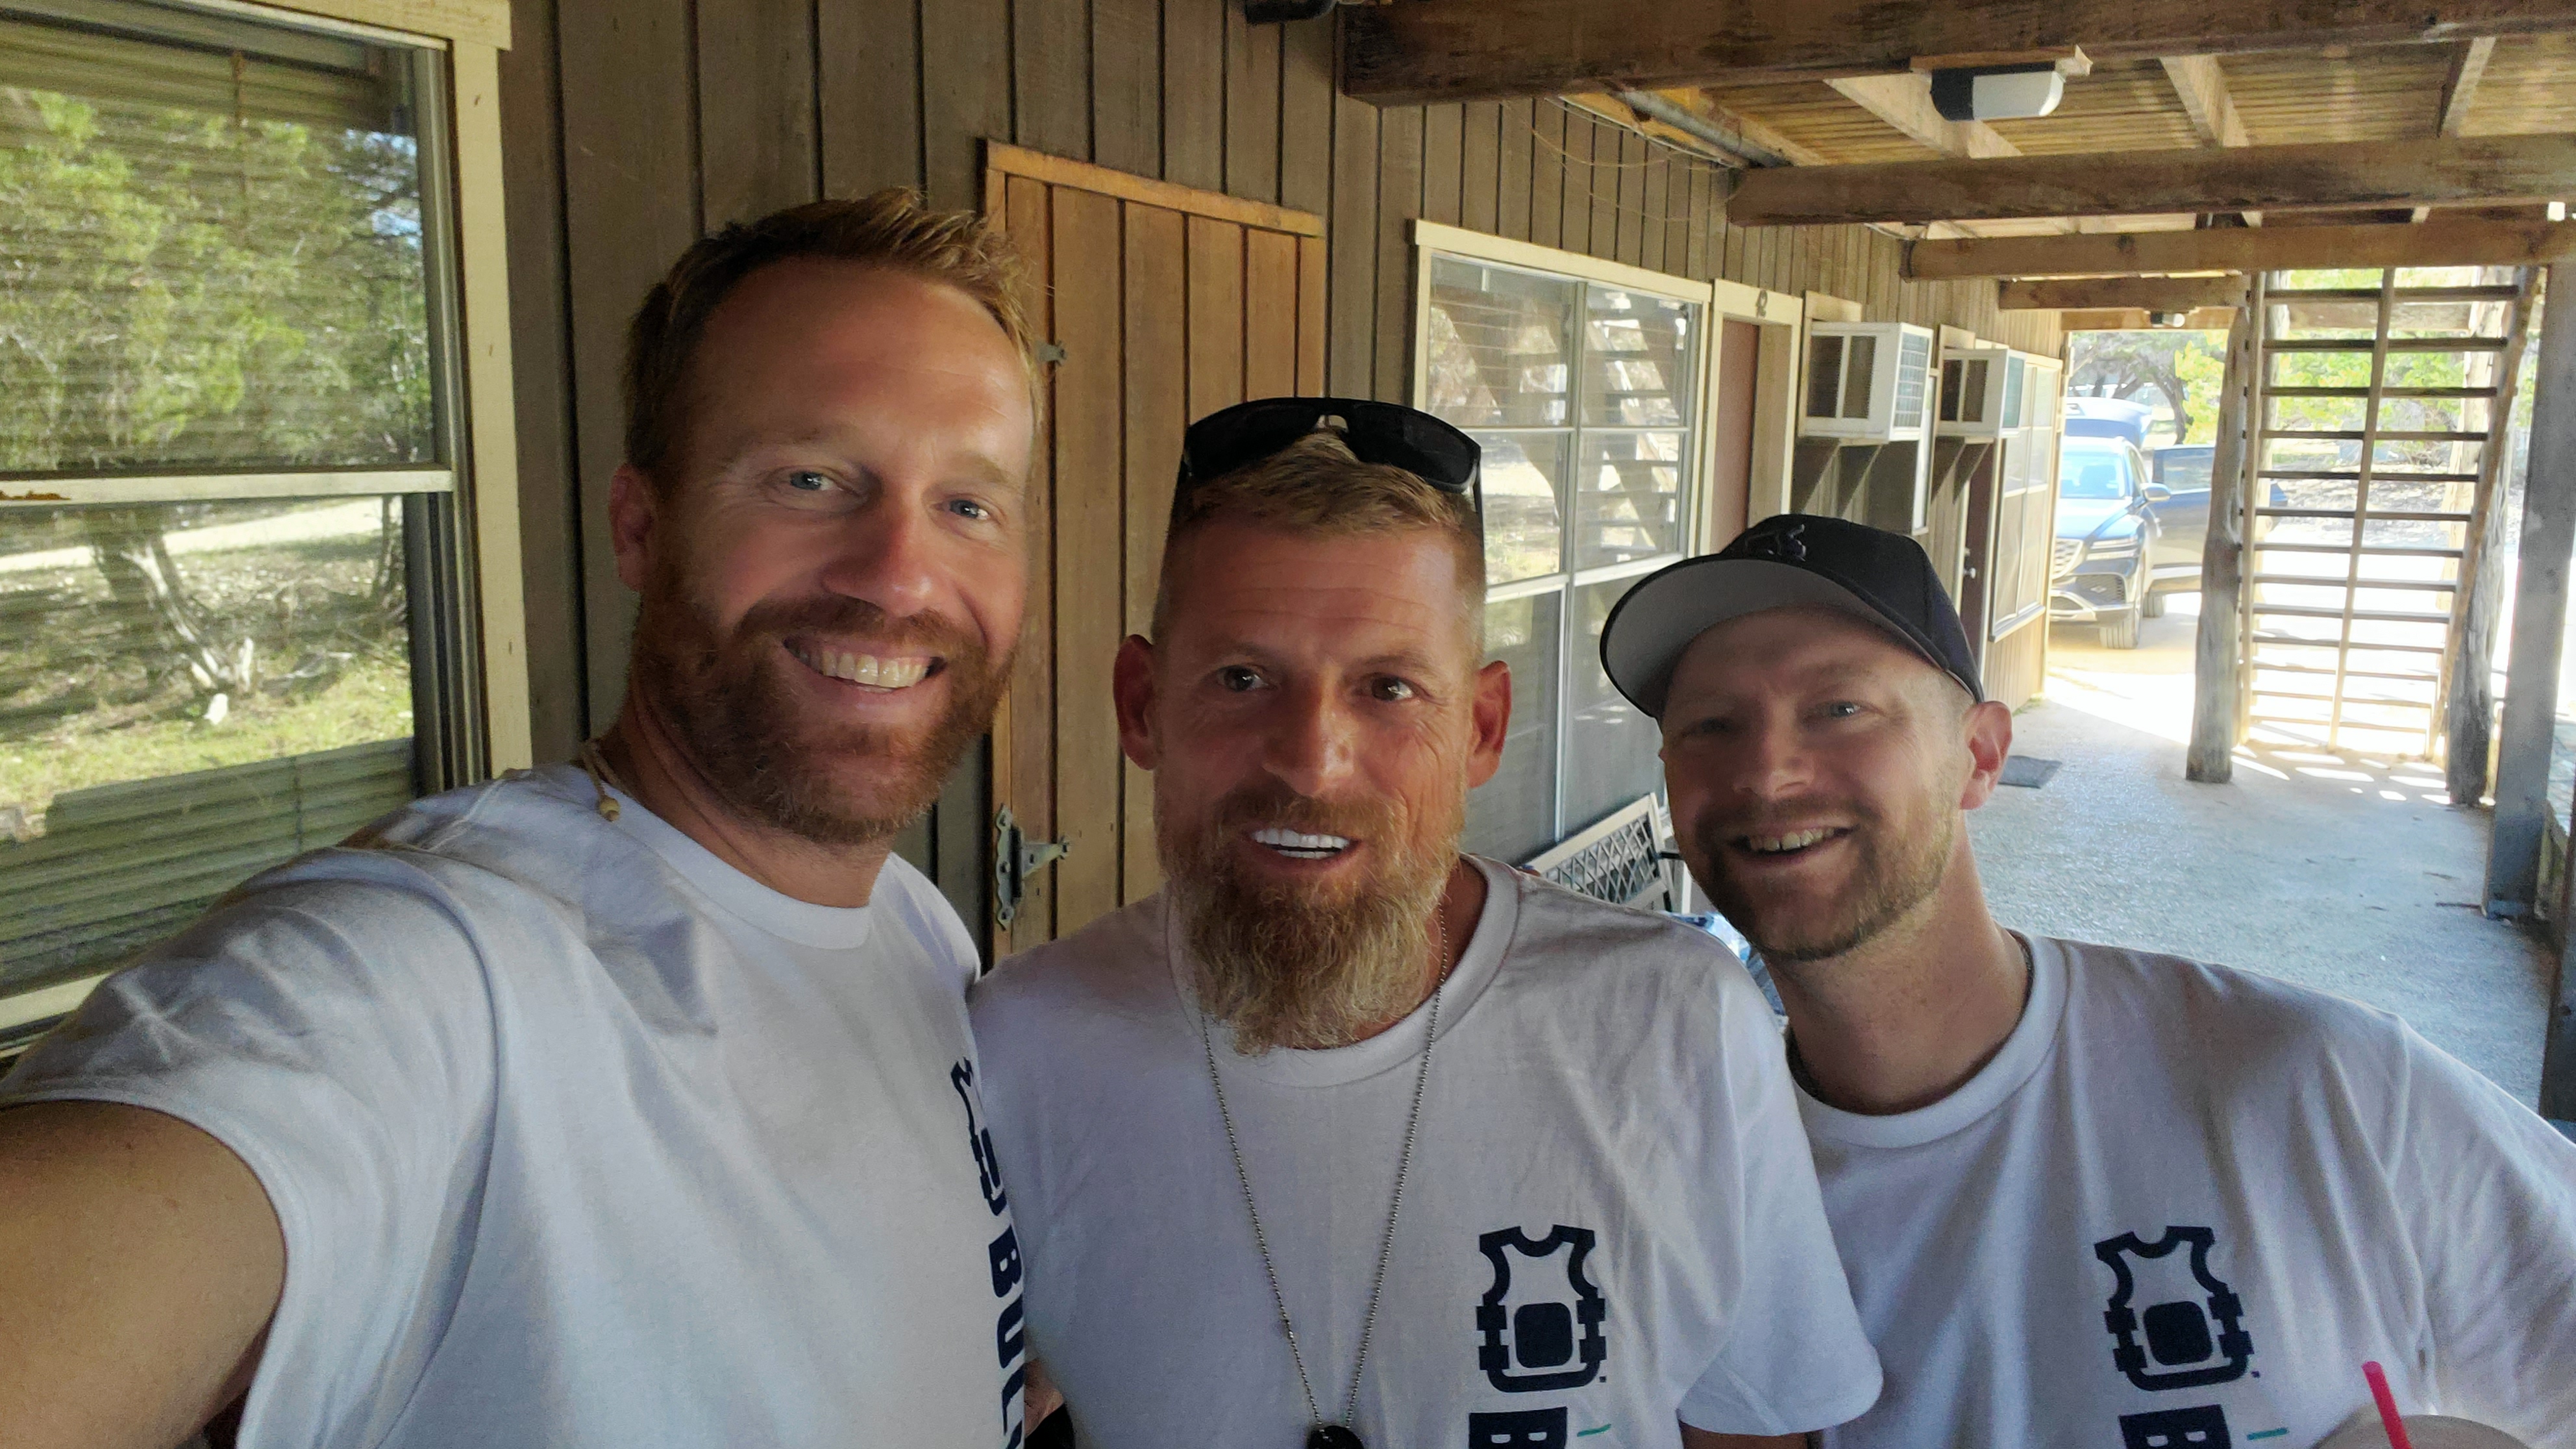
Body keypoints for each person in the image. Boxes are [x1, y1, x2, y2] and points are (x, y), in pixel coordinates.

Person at [0, 192, 1042, 1448]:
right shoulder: (437, 974)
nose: (901, 574)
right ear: (641, 529)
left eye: (969, 506)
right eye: (811, 479)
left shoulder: (917, 933)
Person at [969, 400, 1883, 1449]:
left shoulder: (1675, 1024)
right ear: (1142, 706)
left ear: (1482, 727)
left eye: (1389, 688)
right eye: (1242, 679)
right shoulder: (1016, 1049)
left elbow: (1753, 1426)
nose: (1312, 761)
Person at [1600, 512, 2576, 1448]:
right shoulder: (1688, 1182)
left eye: (1839, 709)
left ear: (1981, 755)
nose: (1767, 774)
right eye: (1711, 725)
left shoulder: (2320, 1086)